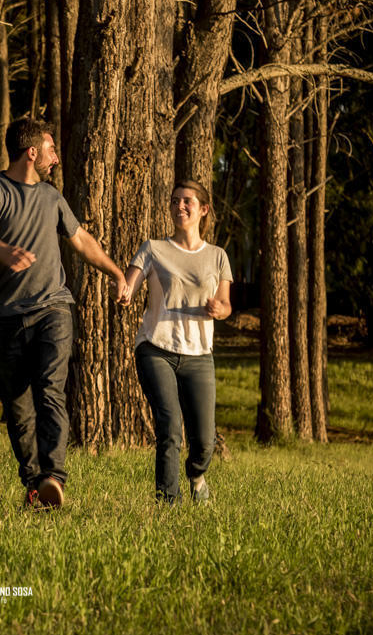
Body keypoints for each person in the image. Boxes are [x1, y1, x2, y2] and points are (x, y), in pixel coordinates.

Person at [0, 117, 126, 510]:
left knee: (51, 390)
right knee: (18, 407)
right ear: (32, 152)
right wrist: (1, 250)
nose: (55, 158)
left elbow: (81, 239)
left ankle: (55, 476)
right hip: (3, 316)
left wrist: (116, 272)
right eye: (50, 150)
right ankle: (36, 486)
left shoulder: (53, 197)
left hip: (53, 306)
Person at [119, 179, 232, 504]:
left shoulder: (217, 256)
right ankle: (168, 502)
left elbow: (225, 304)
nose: (179, 206)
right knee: (169, 426)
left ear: (203, 210)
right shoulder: (153, 248)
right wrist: (125, 292)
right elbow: (131, 283)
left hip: (198, 354)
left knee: (204, 440)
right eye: (174, 201)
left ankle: (196, 475)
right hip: (156, 349)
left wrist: (218, 309)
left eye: (187, 201)